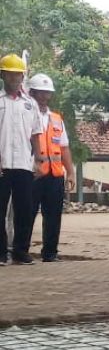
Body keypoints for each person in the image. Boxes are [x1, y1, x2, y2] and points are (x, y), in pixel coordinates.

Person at [0, 54, 42, 265]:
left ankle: (21, 251)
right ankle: (1, 252)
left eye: (18, 75)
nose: (14, 78)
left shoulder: (30, 104)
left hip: (24, 164)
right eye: (10, 74)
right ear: (3, 75)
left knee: (25, 209)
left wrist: (39, 159)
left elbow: (35, 133)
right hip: (2, 164)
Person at [27, 74, 73, 262]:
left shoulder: (56, 119)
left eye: (48, 93)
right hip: (32, 173)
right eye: (41, 93)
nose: (45, 97)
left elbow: (64, 147)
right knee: (26, 214)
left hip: (54, 174)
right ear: (32, 93)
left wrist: (70, 172)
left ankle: (50, 253)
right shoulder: (26, 114)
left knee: (53, 216)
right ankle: (20, 251)